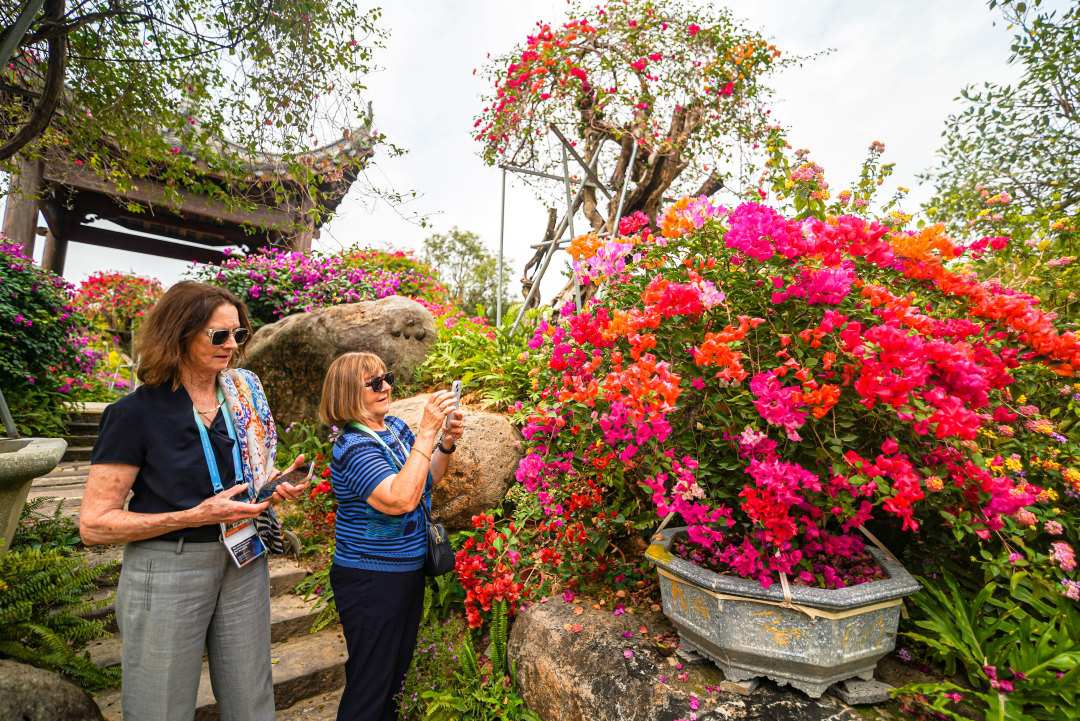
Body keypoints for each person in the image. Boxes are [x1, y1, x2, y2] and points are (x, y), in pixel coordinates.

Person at [79, 281, 308, 721]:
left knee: (253, 700)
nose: (232, 346)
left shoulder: (241, 399)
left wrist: (271, 486)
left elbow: (243, 479)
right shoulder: (133, 414)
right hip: (168, 566)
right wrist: (196, 515)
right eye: (217, 335)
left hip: (243, 559)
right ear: (179, 333)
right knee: (159, 706)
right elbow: (94, 524)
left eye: (238, 335)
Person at [318, 352, 464, 721]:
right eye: (374, 383)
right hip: (371, 579)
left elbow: (423, 482)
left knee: (393, 677)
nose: (386, 387)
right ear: (349, 392)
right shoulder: (353, 446)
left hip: (404, 571)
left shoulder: (396, 428)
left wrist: (444, 443)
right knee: (370, 684)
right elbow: (399, 500)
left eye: (387, 377)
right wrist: (428, 432)